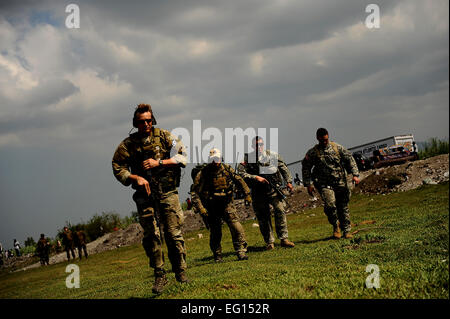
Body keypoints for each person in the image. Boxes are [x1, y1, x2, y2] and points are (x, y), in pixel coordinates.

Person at [112, 103, 189, 294]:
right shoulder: (128, 145)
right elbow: (117, 166)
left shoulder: (164, 136)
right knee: (152, 236)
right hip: (145, 197)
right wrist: (134, 178)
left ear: (152, 120)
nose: (146, 124)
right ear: (135, 123)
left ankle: (180, 271)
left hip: (167, 193)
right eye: (141, 122)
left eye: (148, 120)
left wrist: (160, 162)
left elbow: (183, 156)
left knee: (173, 234)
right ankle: (160, 275)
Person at [191, 148, 252, 262]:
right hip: (212, 205)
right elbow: (195, 192)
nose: (216, 161)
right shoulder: (203, 173)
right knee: (215, 232)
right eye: (213, 159)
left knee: (237, 227)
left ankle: (241, 252)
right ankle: (217, 255)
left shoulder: (227, 169)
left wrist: (247, 193)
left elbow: (239, 180)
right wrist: (201, 208)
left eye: (217, 158)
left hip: (227, 203)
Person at [238, 136, 295, 250]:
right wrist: (255, 177)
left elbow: (283, 167)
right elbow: (241, 174)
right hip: (258, 192)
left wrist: (288, 181)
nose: (259, 147)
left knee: (280, 211)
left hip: (273, 189)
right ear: (252, 146)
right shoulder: (247, 159)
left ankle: (284, 239)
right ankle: (269, 242)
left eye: (261, 144)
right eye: (256, 145)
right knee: (263, 217)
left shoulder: (272, 155)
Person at [301, 128, 360, 239]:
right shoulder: (313, 152)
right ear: (318, 138)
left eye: (326, 139)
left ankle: (346, 231)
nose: (324, 142)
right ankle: (335, 225)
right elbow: (306, 167)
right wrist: (308, 184)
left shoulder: (337, 148)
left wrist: (355, 175)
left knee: (343, 206)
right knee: (330, 205)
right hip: (324, 184)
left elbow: (350, 159)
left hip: (341, 182)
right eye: (322, 140)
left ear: (328, 137)